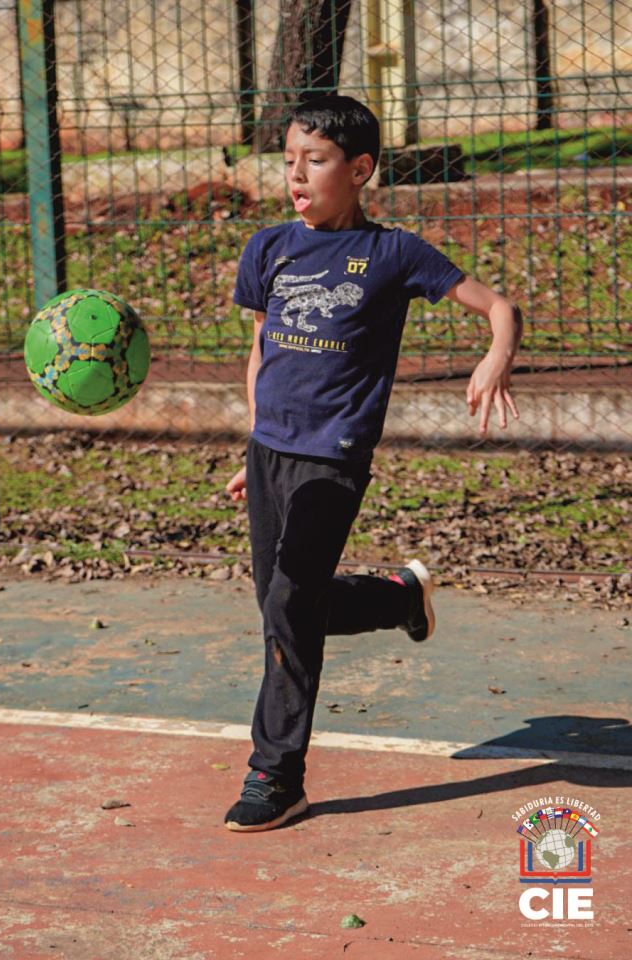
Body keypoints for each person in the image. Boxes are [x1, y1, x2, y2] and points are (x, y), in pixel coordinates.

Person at [223, 94, 522, 832]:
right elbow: (263, 350)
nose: (297, 176)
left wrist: (495, 358)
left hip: (334, 456)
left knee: (290, 602)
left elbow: (498, 307)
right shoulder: (267, 248)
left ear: (358, 169)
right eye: (289, 161)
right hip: (271, 453)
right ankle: (395, 598)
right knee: (286, 605)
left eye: (315, 161)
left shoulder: (394, 254)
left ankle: (275, 773)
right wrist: (251, 445)